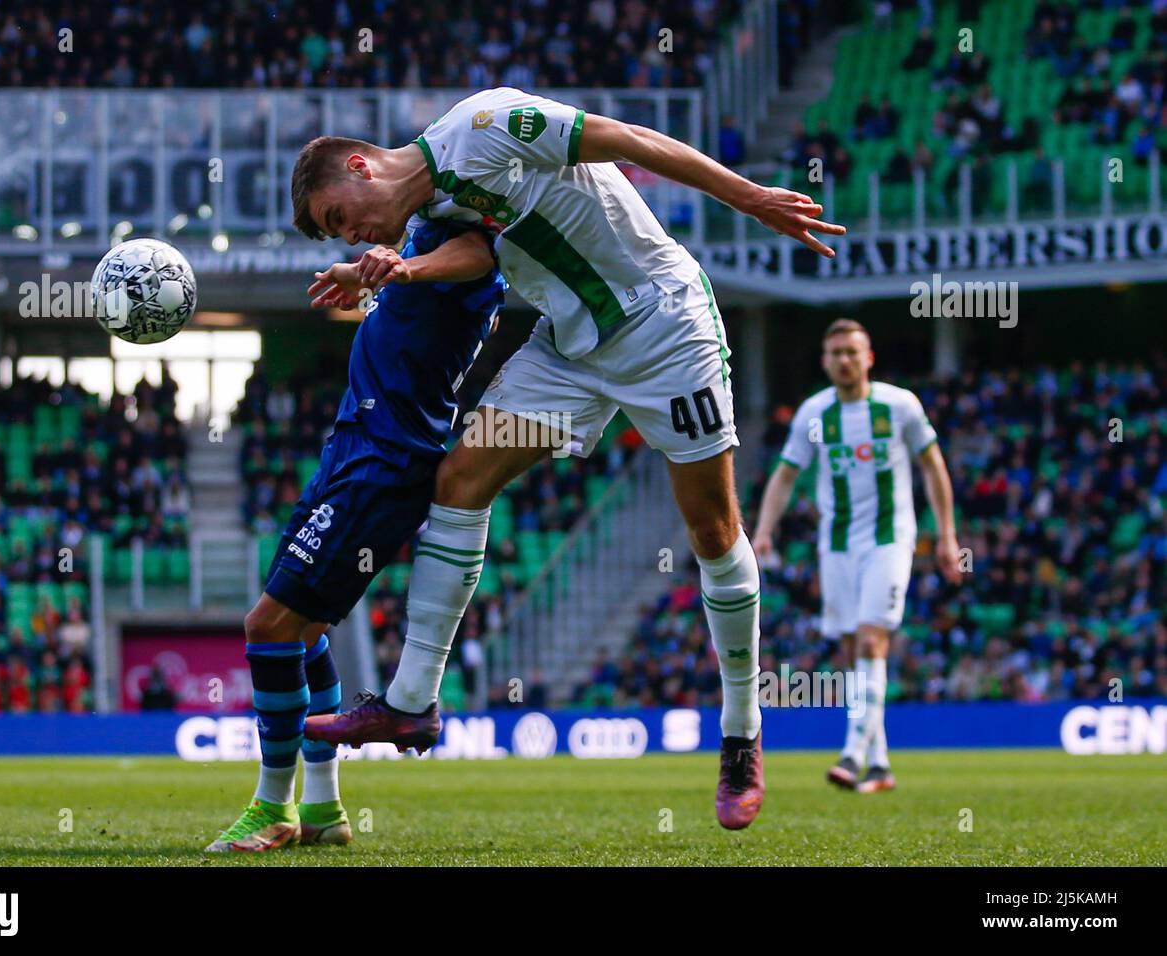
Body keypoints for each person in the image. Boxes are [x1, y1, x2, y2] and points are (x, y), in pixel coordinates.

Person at [291, 86, 844, 830]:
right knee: (459, 480)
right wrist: (400, 271)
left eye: (338, 218)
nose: (349, 233)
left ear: (359, 167)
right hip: (569, 349)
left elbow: (624, 138)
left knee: (713, 531)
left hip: (661, 325)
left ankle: (743, 733)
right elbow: (478, 252)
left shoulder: (486, 125)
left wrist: (746, 197)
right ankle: (411, 704)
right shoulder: (428, 211)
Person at [205, 220, 504, 852]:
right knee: (299, 631)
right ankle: (320, 807)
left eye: (336, 213)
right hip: (353, 451)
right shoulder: (425, 239)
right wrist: (373, 278)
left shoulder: (463, 237)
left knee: (269, 627)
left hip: (382, 467)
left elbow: (477, 257)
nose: (346, 229)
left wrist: (399, 267)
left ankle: (272, 806)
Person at [751, 319, 962, 794]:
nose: (844, 360)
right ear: (825, 362)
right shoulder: (813, 413)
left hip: (890, 538)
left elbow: (934, 468)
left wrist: (946, 536)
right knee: (852, 654)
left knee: (871, 643)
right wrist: (764, 531)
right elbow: (785, 476)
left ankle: (852, 753)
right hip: (837, 544)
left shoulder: (899, 405)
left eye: (852, 352)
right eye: (835, 353)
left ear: (868, 358)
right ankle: (882, 765)